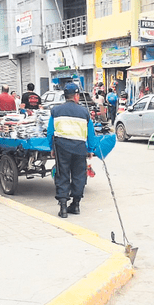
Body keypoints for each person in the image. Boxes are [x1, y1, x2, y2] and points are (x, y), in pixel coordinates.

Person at [45, 83, 97, 218]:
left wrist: (52, 148)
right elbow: (90, 133)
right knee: (79, 175)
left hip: (61, 146)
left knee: (62, 174)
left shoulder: (56, 111)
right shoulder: (84, 112)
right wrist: (90, 149)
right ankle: (76, 204)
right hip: (79, 147)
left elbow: (50, 131)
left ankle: (63, 207)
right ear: (76, 96)